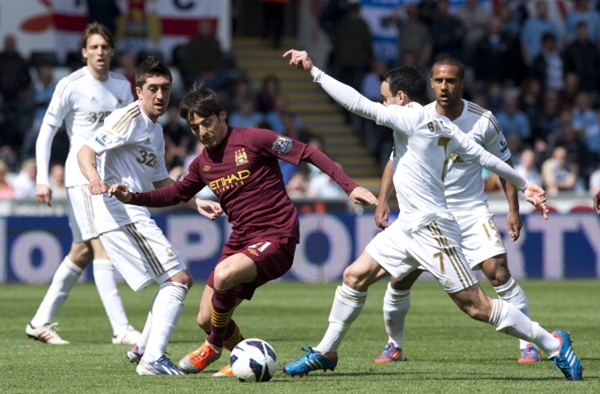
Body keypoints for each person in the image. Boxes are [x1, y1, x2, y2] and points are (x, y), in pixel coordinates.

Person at [282, 48, 583, 381]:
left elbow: (356, 103)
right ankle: (326, 352)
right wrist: (526, 184)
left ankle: (553, 343)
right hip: (408, 225)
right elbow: (485, 157)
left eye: (385, 99)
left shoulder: (408, 116)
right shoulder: (441, 124)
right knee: (354, 276)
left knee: (476, 306)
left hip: (432, 228)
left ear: (400, 97)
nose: (382, 105)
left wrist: (314, 71)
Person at [106, 83, 378, 377]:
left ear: (222, 115)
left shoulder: (255, 139)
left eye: (207, 123)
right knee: (205, 317)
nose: (202, 132)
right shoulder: (202, 164)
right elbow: (174, 194)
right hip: (241, 240)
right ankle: (242, 359)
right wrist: (132, 197)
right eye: (195, 128)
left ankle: (212, 346)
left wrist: (350, 187)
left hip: (277, 235)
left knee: (223, 279)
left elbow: (308, 152)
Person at [371, 55, 542, 365]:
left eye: (451, 80)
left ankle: (528, 344)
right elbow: (395, 159)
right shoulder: (414, 117)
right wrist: (383, 200)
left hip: (470, 211)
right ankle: (393, 345)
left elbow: (504, 165)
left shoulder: (483, 120)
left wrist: (513, 210)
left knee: (498, 272)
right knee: (400, 280)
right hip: (427, 212)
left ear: (463, 83)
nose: (444, 87)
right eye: (438, 80)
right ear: (431, 83)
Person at [77, 56, 216, 375]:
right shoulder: (128, 117)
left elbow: (161, 182)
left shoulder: (154, 130)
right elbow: (86, 152)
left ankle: (143, 348)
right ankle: (152, 359)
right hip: (119, 212)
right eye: (152, 88)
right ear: (138, 91)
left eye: (165, 88)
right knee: (178, 279)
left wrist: (196, 203)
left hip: (133, 213)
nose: (159, 95)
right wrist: (95, 179)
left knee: (174, 279)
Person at [27, 22, 140, 346]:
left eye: (104, 47)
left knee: (80, 252)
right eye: (94, 47)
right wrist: (42, 179)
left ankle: (39, 322)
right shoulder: (70, 85)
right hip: (81, 178)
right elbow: (46, 132)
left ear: (112, 51)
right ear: (84, 52)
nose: (100, 52)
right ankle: (121, 329)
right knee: (100, 244)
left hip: (109, 177)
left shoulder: (121, 85)